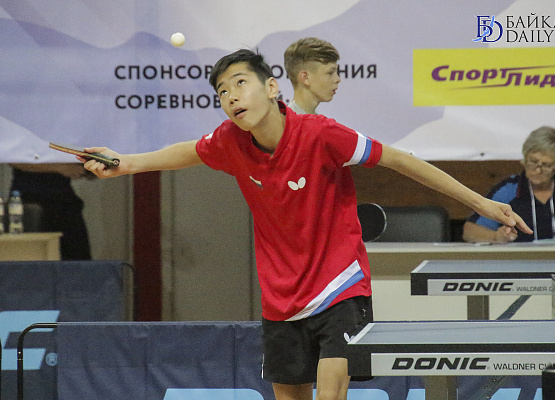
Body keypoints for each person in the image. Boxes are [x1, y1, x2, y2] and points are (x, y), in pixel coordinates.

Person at [79, 49, 531, 400]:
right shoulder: (230, 142)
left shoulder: (320, 134)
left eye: (240, 83)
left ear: (272, 87)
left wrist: (480, 202)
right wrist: (126, 163)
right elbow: (187, 152)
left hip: (339, 286)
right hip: (281, 299)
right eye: (222, 91)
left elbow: (399, 160)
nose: (231, 96)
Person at [463, 126, 555, 243]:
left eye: (546, 165)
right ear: (524, 157)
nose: (538, 170)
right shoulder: (508, 189)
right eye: (533, 161)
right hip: (520, 262)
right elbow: (469, 231)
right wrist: (496, 236)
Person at [10, 163, 92, 260]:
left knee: (78, 257)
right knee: (32, 255)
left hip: (63, 198)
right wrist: (60, 168)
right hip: (30, 199)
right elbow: (13, 160)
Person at [284, 37, 341, 115]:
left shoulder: (318, 119)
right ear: (305, 78)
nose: (338, 79)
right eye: (330, 73)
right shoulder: (287, 122)